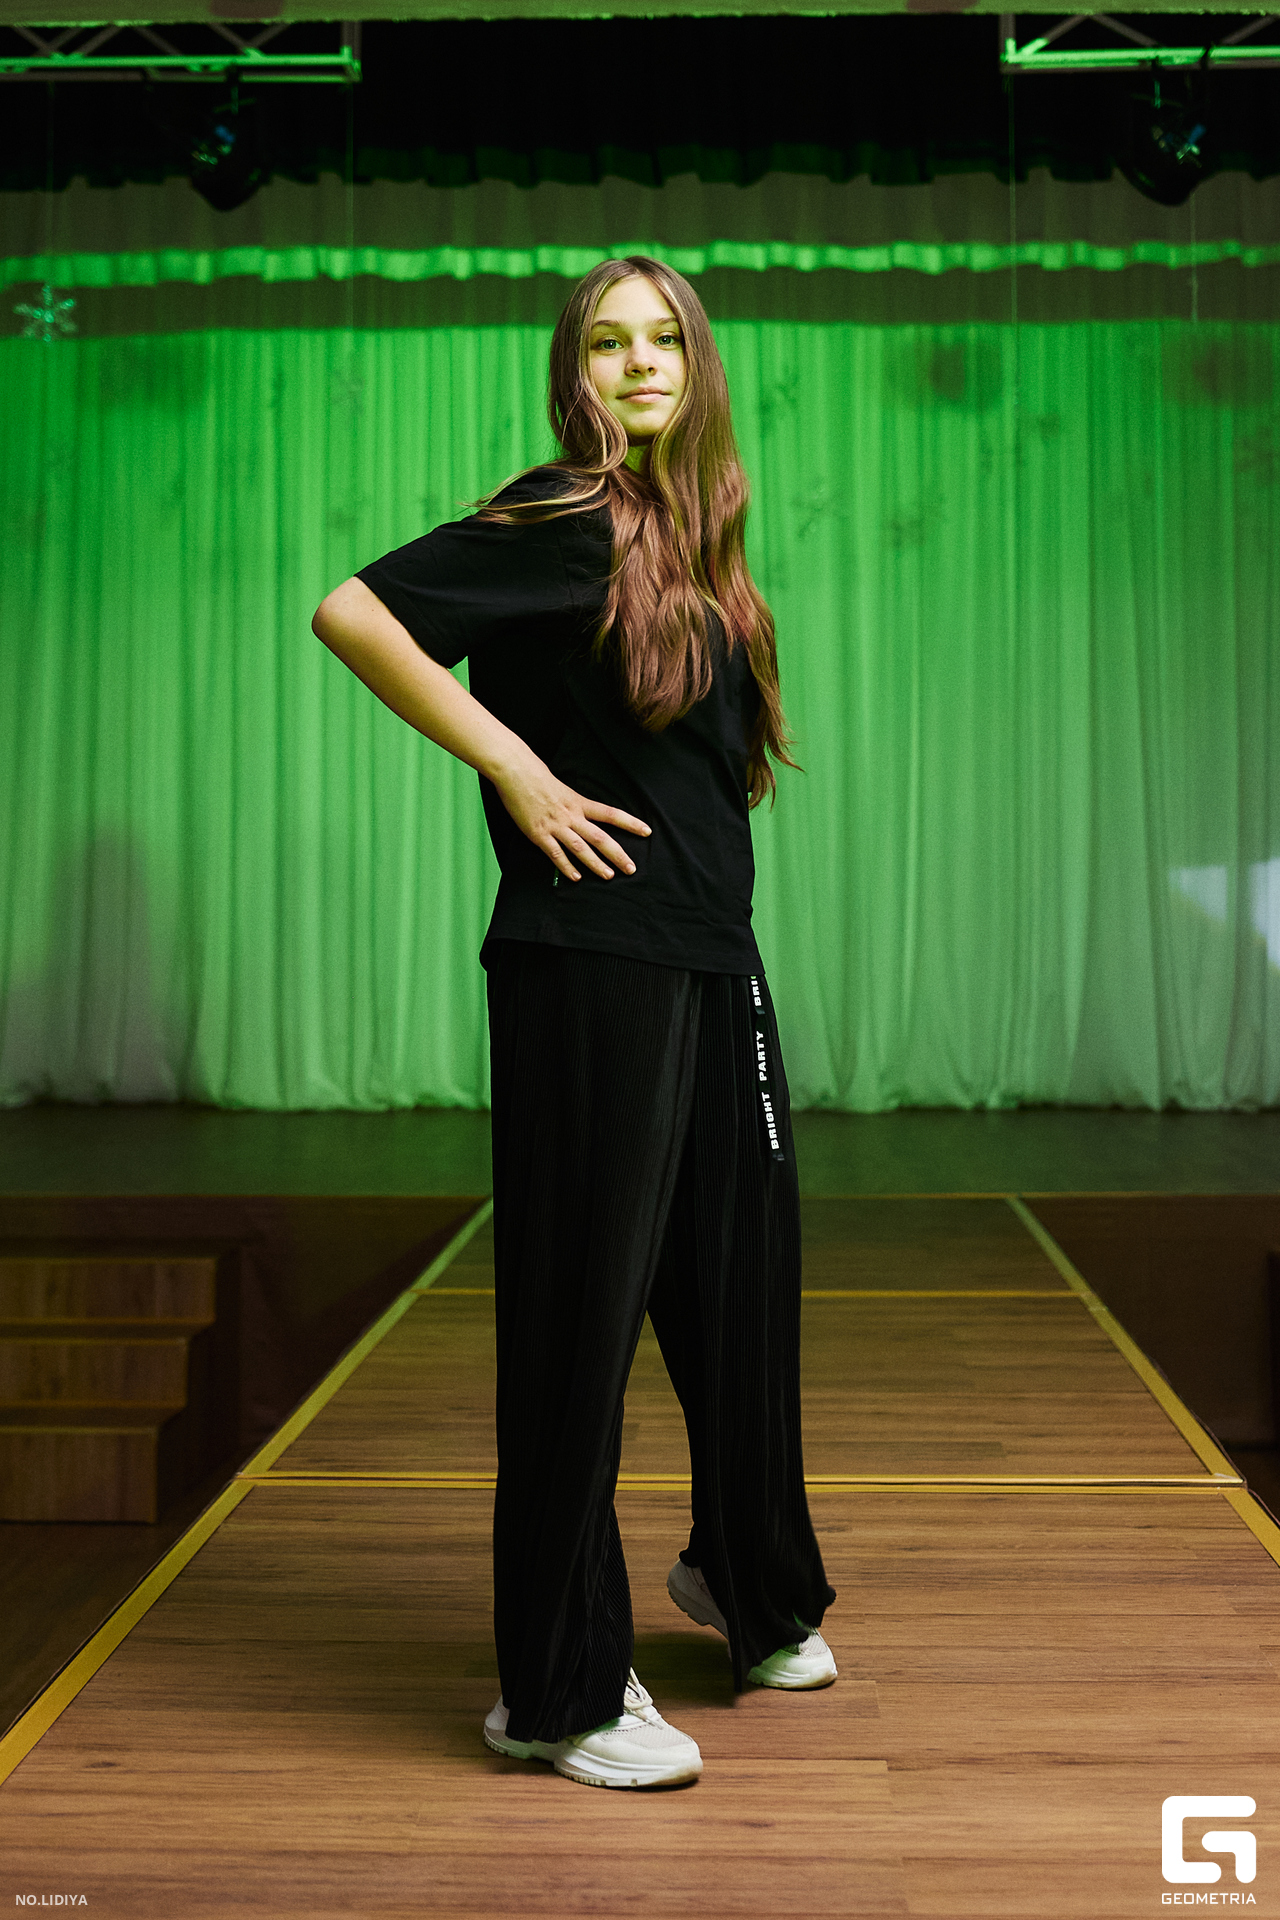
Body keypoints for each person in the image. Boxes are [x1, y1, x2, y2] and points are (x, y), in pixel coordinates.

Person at [313, 256, 835, 1792]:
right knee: (580, 1320)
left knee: (742, 1294)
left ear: (699, 363)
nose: (640, 361)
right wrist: (515, 768)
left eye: (664, 338)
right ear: (577, 372)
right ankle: (557, 1692)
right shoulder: (569, 510)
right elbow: (356, 612)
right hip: (590, 960)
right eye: (609, 343)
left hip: (711, 960)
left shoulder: (695, 540)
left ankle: (750, 1584)